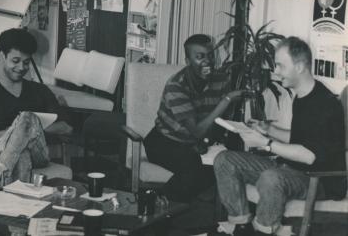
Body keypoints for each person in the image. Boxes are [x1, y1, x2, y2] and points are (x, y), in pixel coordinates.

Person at [213, 36, 346, 236]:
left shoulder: (325, 104)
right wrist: (269, 130)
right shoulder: (301, 96)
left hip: (318, 179)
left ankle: (264, 230)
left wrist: (266, 143)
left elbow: (309, 155)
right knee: (224, 159)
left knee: (271, 177)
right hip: (291, 169)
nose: (275, 72)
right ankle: (241, 224)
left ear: (300, 67)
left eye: (280, 66)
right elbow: (303, 138)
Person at [144, 34, 243, 202]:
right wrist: (226, 100)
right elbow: (196, 130)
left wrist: (207, 142)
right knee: (194, 169)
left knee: (222, 167)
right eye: (199, 57)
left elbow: (220, 121)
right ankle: (160, 203)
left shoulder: (221, 80)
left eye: (210, 55)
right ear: (188, 60)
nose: (208, 61)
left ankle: (163, 204)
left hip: (196, 142)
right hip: (164, 142)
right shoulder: (176, 85)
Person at [0, 28, 73, 192]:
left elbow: (67, 128)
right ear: (2, 56)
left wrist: (28, 126)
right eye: (16, 60)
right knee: (21, 156)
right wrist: (15, 133)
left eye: (26, 62)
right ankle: (18, 212)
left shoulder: (40, 91)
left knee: (27, 117)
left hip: (38, 155)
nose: (21, 67)